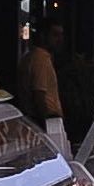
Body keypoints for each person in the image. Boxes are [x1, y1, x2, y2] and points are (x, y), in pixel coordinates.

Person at [21, 22, 67, 152]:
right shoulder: (40, 59)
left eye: (61, 35)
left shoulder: (33, 56)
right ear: (43, 36)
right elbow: (39, 94)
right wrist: (46, 124)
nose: (60, 40)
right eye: (55, 35)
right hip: (46, 122)